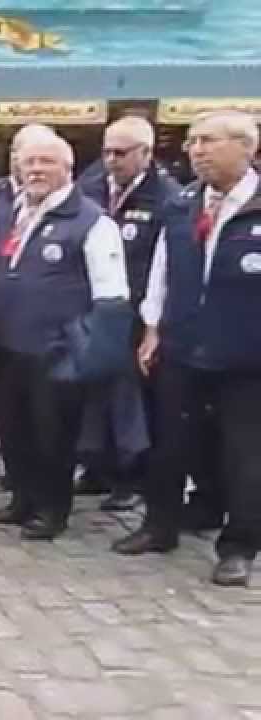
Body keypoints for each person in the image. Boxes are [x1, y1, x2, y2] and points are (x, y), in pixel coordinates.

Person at [116, 111, 261, 587]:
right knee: (170, 443)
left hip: (246, 355)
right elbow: (162, 268)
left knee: (244, 453)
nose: (196, 150)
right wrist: (152, 328)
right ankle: (160, 525)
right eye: (193, 141)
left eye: (209, 141)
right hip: (182, 344)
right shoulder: (181, 204)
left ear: (246, 148)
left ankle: (238, 546)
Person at [0, 131, 129, 540]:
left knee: (53, 434)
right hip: (11, 343)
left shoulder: (92, 222)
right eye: (29, 162)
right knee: (14, 428)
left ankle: (52, 508)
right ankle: (23, 498)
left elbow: (111, 293)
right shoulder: (17, 211)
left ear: (68, 169)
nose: (35, 170)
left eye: (46, 162)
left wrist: (92, 354)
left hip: (58, 348)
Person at [78, 116, 181, 513]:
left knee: (136, 402)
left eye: (121, 153)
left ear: (146, 153)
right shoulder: (90, 189)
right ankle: (97, 468)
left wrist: (154, 322)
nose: (111, 160)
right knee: (95, 395)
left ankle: (133, 477)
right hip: (96, 313)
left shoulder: (167, 197)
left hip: (138, 316)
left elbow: (165, 265)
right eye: (106, 151)